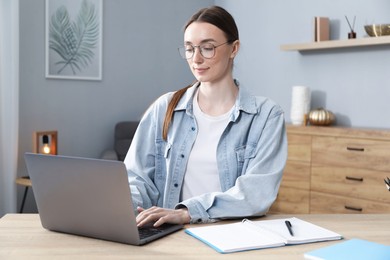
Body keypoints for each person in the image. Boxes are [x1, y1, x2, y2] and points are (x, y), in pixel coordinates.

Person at [124, 5, 287, 227]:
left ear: (234, 48)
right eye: (189, 49)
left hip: (232, 237)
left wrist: (188, 212)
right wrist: (122, 207)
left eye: (207, 48)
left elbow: (255, 195)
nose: (196, 59)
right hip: (170, 235)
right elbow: (136, 178)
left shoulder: (266, 116)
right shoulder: (164, 108)